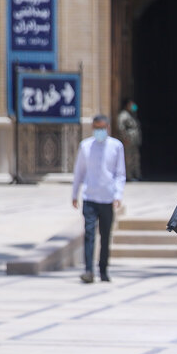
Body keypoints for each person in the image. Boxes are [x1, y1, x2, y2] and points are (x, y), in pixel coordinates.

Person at [71, 115, 125, 284]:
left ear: (108, 127)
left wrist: (118, 195)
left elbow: (120, 173)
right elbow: (79, 172)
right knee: (89, 234)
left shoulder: (116, 146)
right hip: (90, 197)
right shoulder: (85, 146)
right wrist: (74, 194)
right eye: (96, 128)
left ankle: (103, 269)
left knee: (106, 235)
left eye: (102, 128)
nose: (99, 131)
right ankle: (88, 270)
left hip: (107, 198)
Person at [117, 97, 142, 181]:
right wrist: (125, 138)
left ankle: (136, 175)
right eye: (131, 104)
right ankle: (129, 176)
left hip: (134, 141)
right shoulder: (123, 115)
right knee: (128, 159)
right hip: (128, 141)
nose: (133, 106)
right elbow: (121, 128)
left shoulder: (132, 114)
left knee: (135, 158)